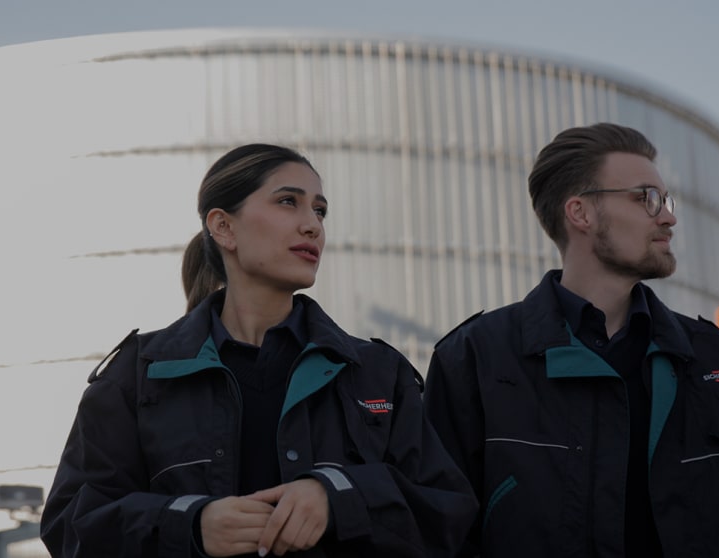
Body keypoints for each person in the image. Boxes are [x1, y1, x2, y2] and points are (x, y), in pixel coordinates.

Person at [42, 143, 475, 557]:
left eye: (320, 210)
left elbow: (447, 516)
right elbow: (72, 525)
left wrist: (338, 497)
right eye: (288, 202)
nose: (313, 225)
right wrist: (190, 525)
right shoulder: (139, 373)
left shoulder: (376, 373)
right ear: (223, 227)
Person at [423, 123, 719, 557]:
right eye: (646, 198)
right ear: (580, 213)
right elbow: (442, 537)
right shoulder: (474, 359)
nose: (668, 217)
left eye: (666, 200)